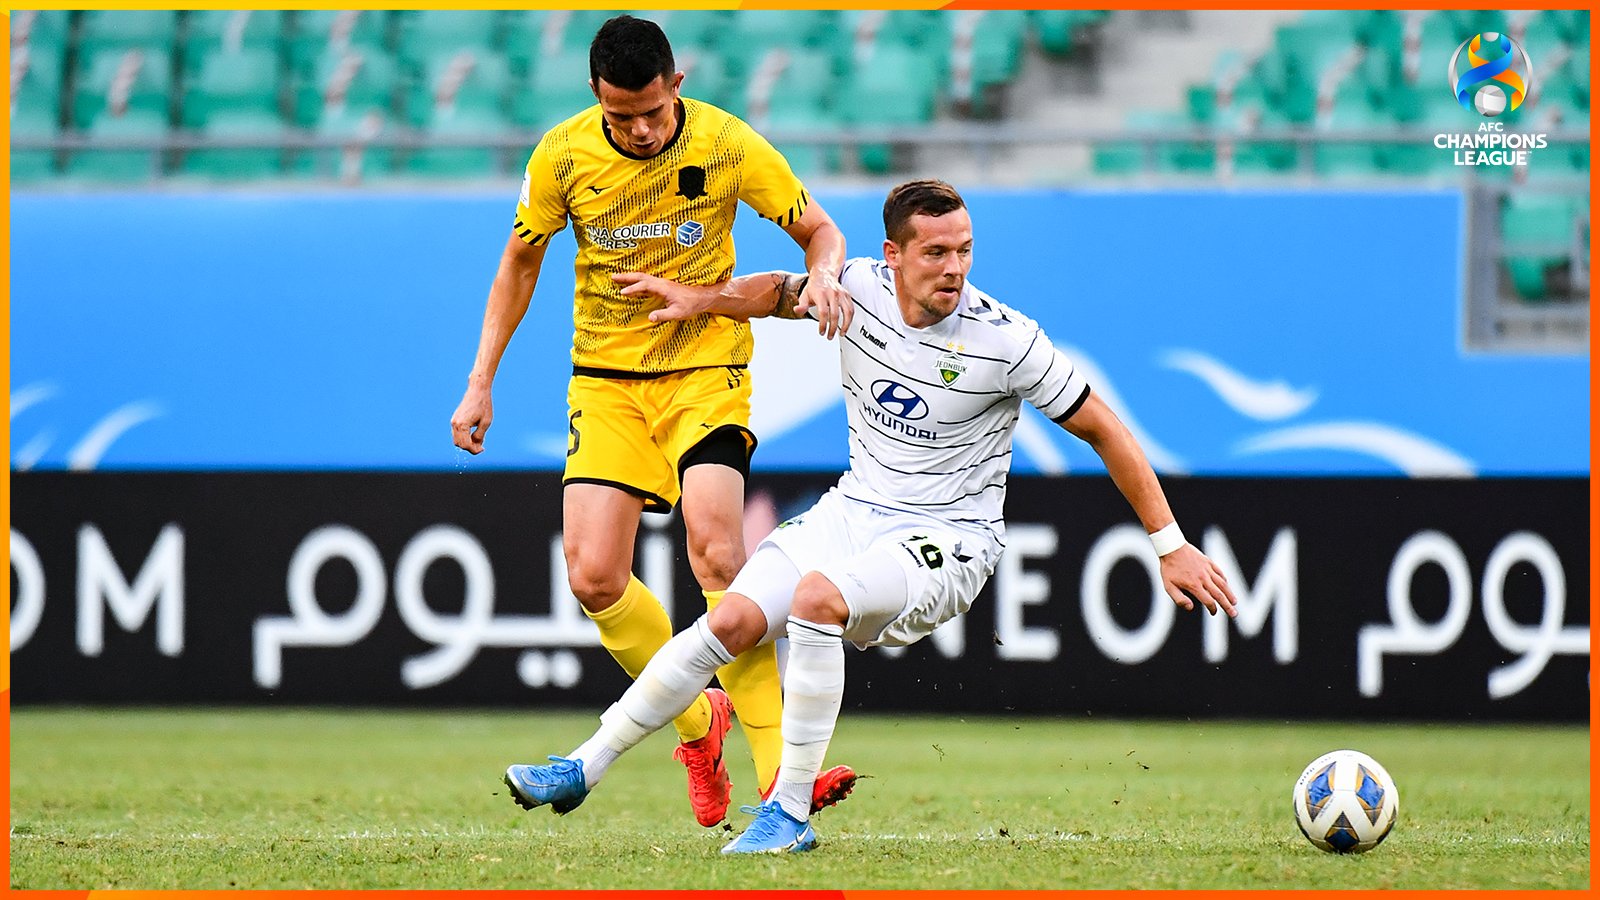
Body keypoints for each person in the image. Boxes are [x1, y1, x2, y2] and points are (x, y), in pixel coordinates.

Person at [498, 179, 1241, 854]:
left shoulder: (1007, 341)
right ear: (893, 256)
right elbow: (778, 291)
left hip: (949, 540)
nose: (955, 268)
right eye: (937, 253)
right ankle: (582, 767)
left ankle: (788, 814)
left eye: (965, 251)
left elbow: (1105, 428)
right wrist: (703, 299)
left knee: (818, 601)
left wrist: (1169, 544)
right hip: (853, 510)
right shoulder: (854, 288)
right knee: (727, 624)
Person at [449, 15, 857, 828]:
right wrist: (480, 380)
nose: (639, 130)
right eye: (620, 116)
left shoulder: (728, 143)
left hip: (705, 367)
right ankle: (698, 723)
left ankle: (782, 775)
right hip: (606, 381)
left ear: (677, 82)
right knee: (593, 577)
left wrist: (828, 277)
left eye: (652, 111)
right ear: (596, 98)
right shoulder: (562, 156)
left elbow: (819, 231)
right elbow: (520, 263)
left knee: (716, 546)